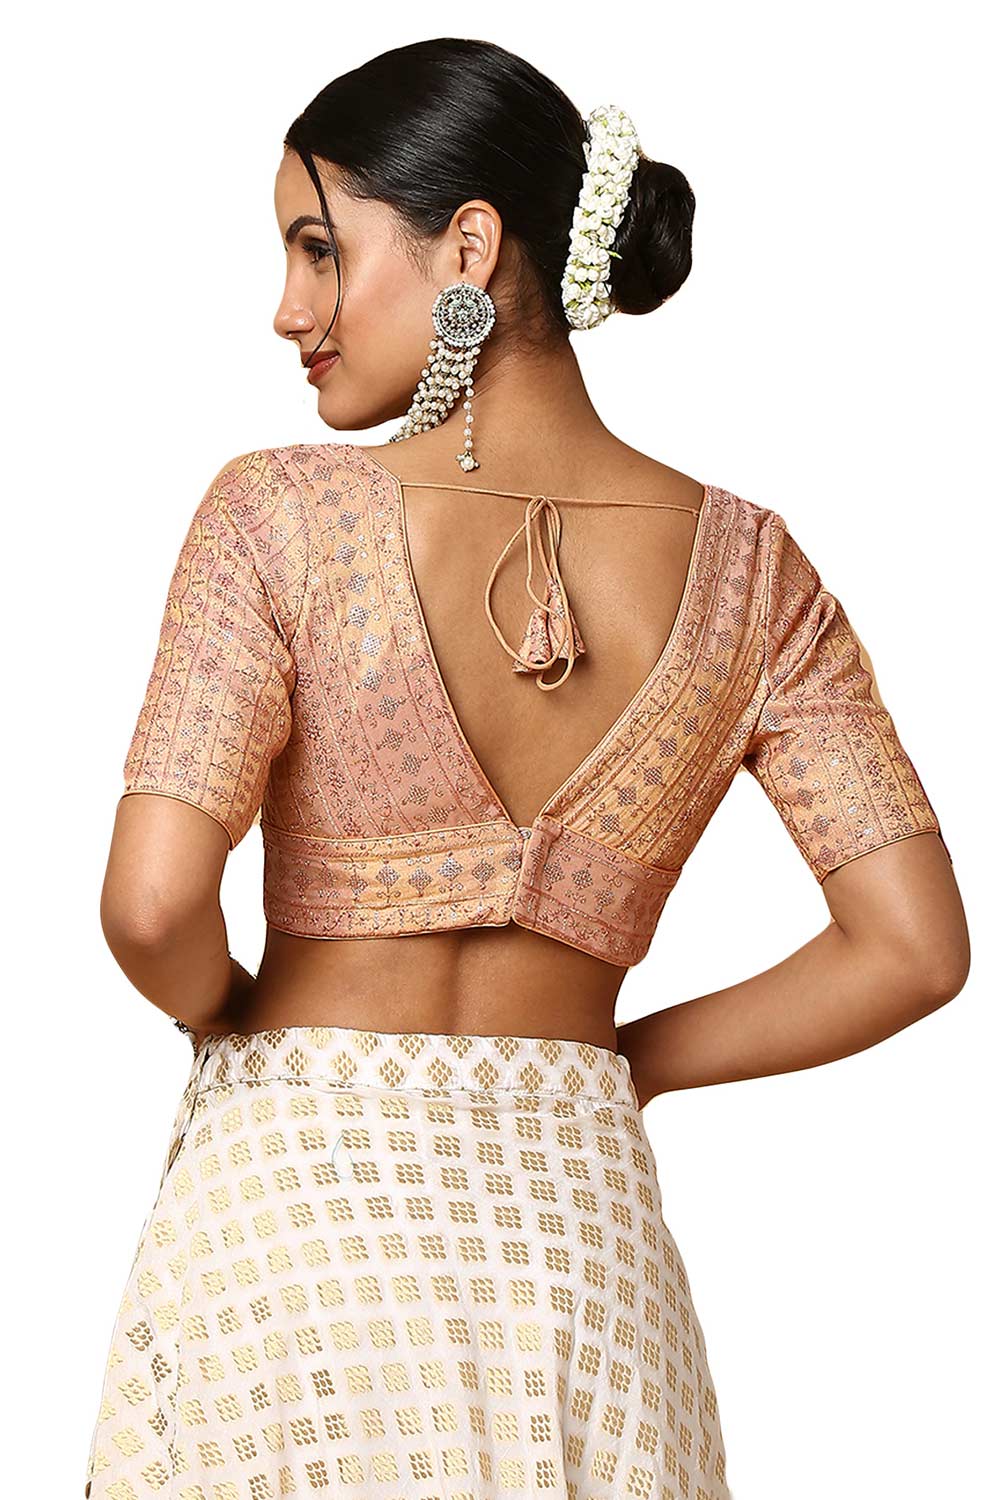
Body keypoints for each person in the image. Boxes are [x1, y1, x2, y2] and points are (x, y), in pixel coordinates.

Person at [82, 37, 968, 1500]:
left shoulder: (275, 516)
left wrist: (239, 1027)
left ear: (471, 247)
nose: (287, 309)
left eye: (319, 248)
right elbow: (915, 948)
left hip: (291, 1228)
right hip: (578, 1257)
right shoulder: (756, 574)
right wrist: (622, 1064)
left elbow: (152, 905)